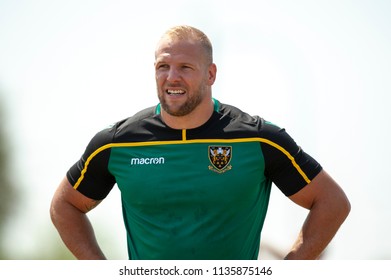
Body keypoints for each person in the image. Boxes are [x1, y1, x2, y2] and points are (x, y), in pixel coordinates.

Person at [50, 25, 351, 260]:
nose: (172, 77)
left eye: (185, 67)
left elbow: (332, 202)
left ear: (210, 74)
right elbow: (65, 206)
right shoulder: (117, 144)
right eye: (162, 67)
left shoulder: (257, 139)